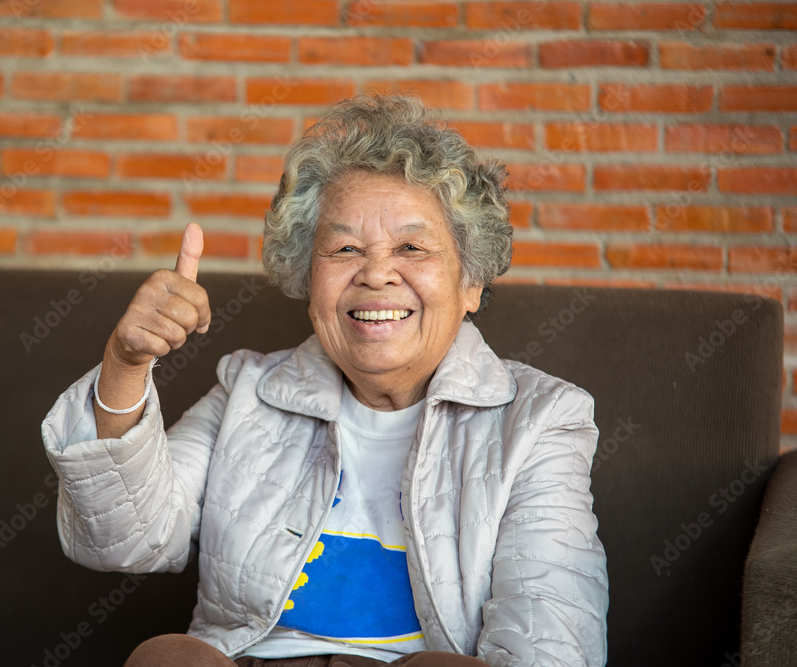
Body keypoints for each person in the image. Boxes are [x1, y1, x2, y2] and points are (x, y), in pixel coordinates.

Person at [41, 95, 608, 667]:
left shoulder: (540, 420)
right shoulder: (248, 392)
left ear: (471, 284)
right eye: (344, 249)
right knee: (167, 657)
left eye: (412, 247)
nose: (377, 272)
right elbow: (119, 540)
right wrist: (126, 364)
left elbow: (552, 640)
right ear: (309, 280)